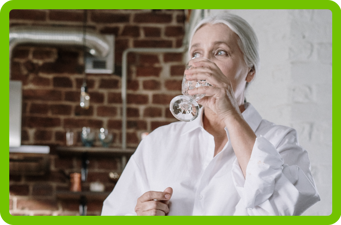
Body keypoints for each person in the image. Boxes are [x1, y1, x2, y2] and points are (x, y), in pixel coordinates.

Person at [101, 12, 320, 216]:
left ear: (250, 70)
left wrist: (230, 115)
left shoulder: (280, 140)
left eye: (220, 52)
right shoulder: (158, 142)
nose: (204, 64)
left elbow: (278, 211)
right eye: (196, 53)